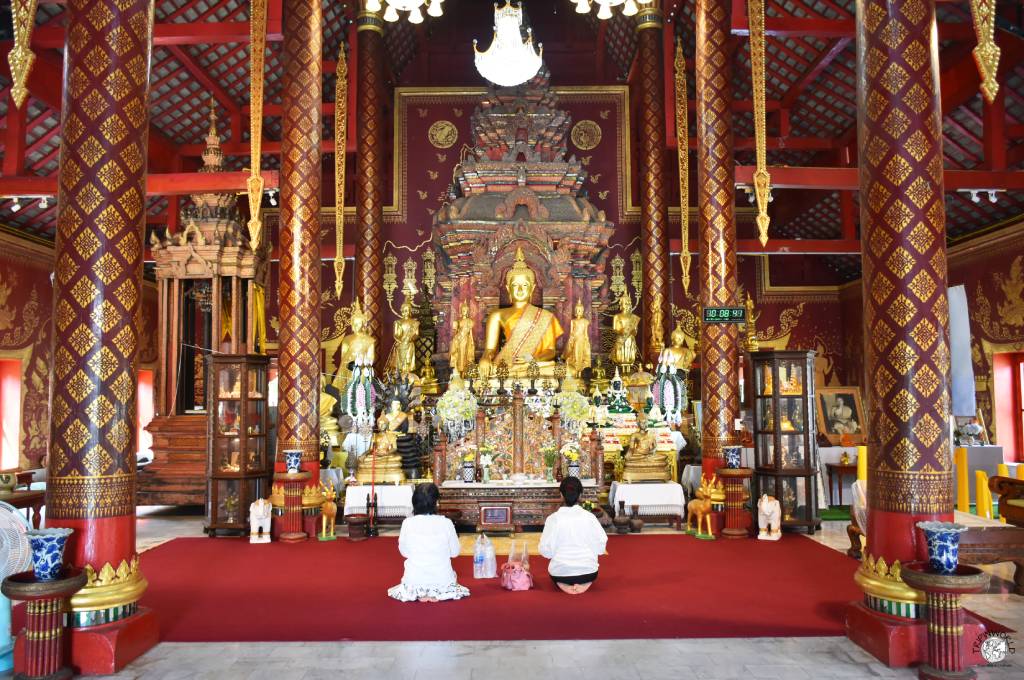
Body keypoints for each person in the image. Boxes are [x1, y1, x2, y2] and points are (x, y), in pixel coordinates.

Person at [388, 483, 470, 603]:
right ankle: (436, 591)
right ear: (436, 502)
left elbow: (404, 552)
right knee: (452, 576)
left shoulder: (407, 523)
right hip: (442, 579)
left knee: (413, 578)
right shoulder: (446, 523)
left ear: (414, 502)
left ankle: (420, 590)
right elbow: (455, 553)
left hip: (414, 580)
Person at [539, 477, 608, 595]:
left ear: (561, 495)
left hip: (560, 573)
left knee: (558, 573)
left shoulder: (553, 519)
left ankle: (563, 584)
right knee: (589, 570)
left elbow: (545, 551)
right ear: (580, 495)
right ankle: (585, 583)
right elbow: (601, 547)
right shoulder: (589, 517)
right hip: (589, 572)